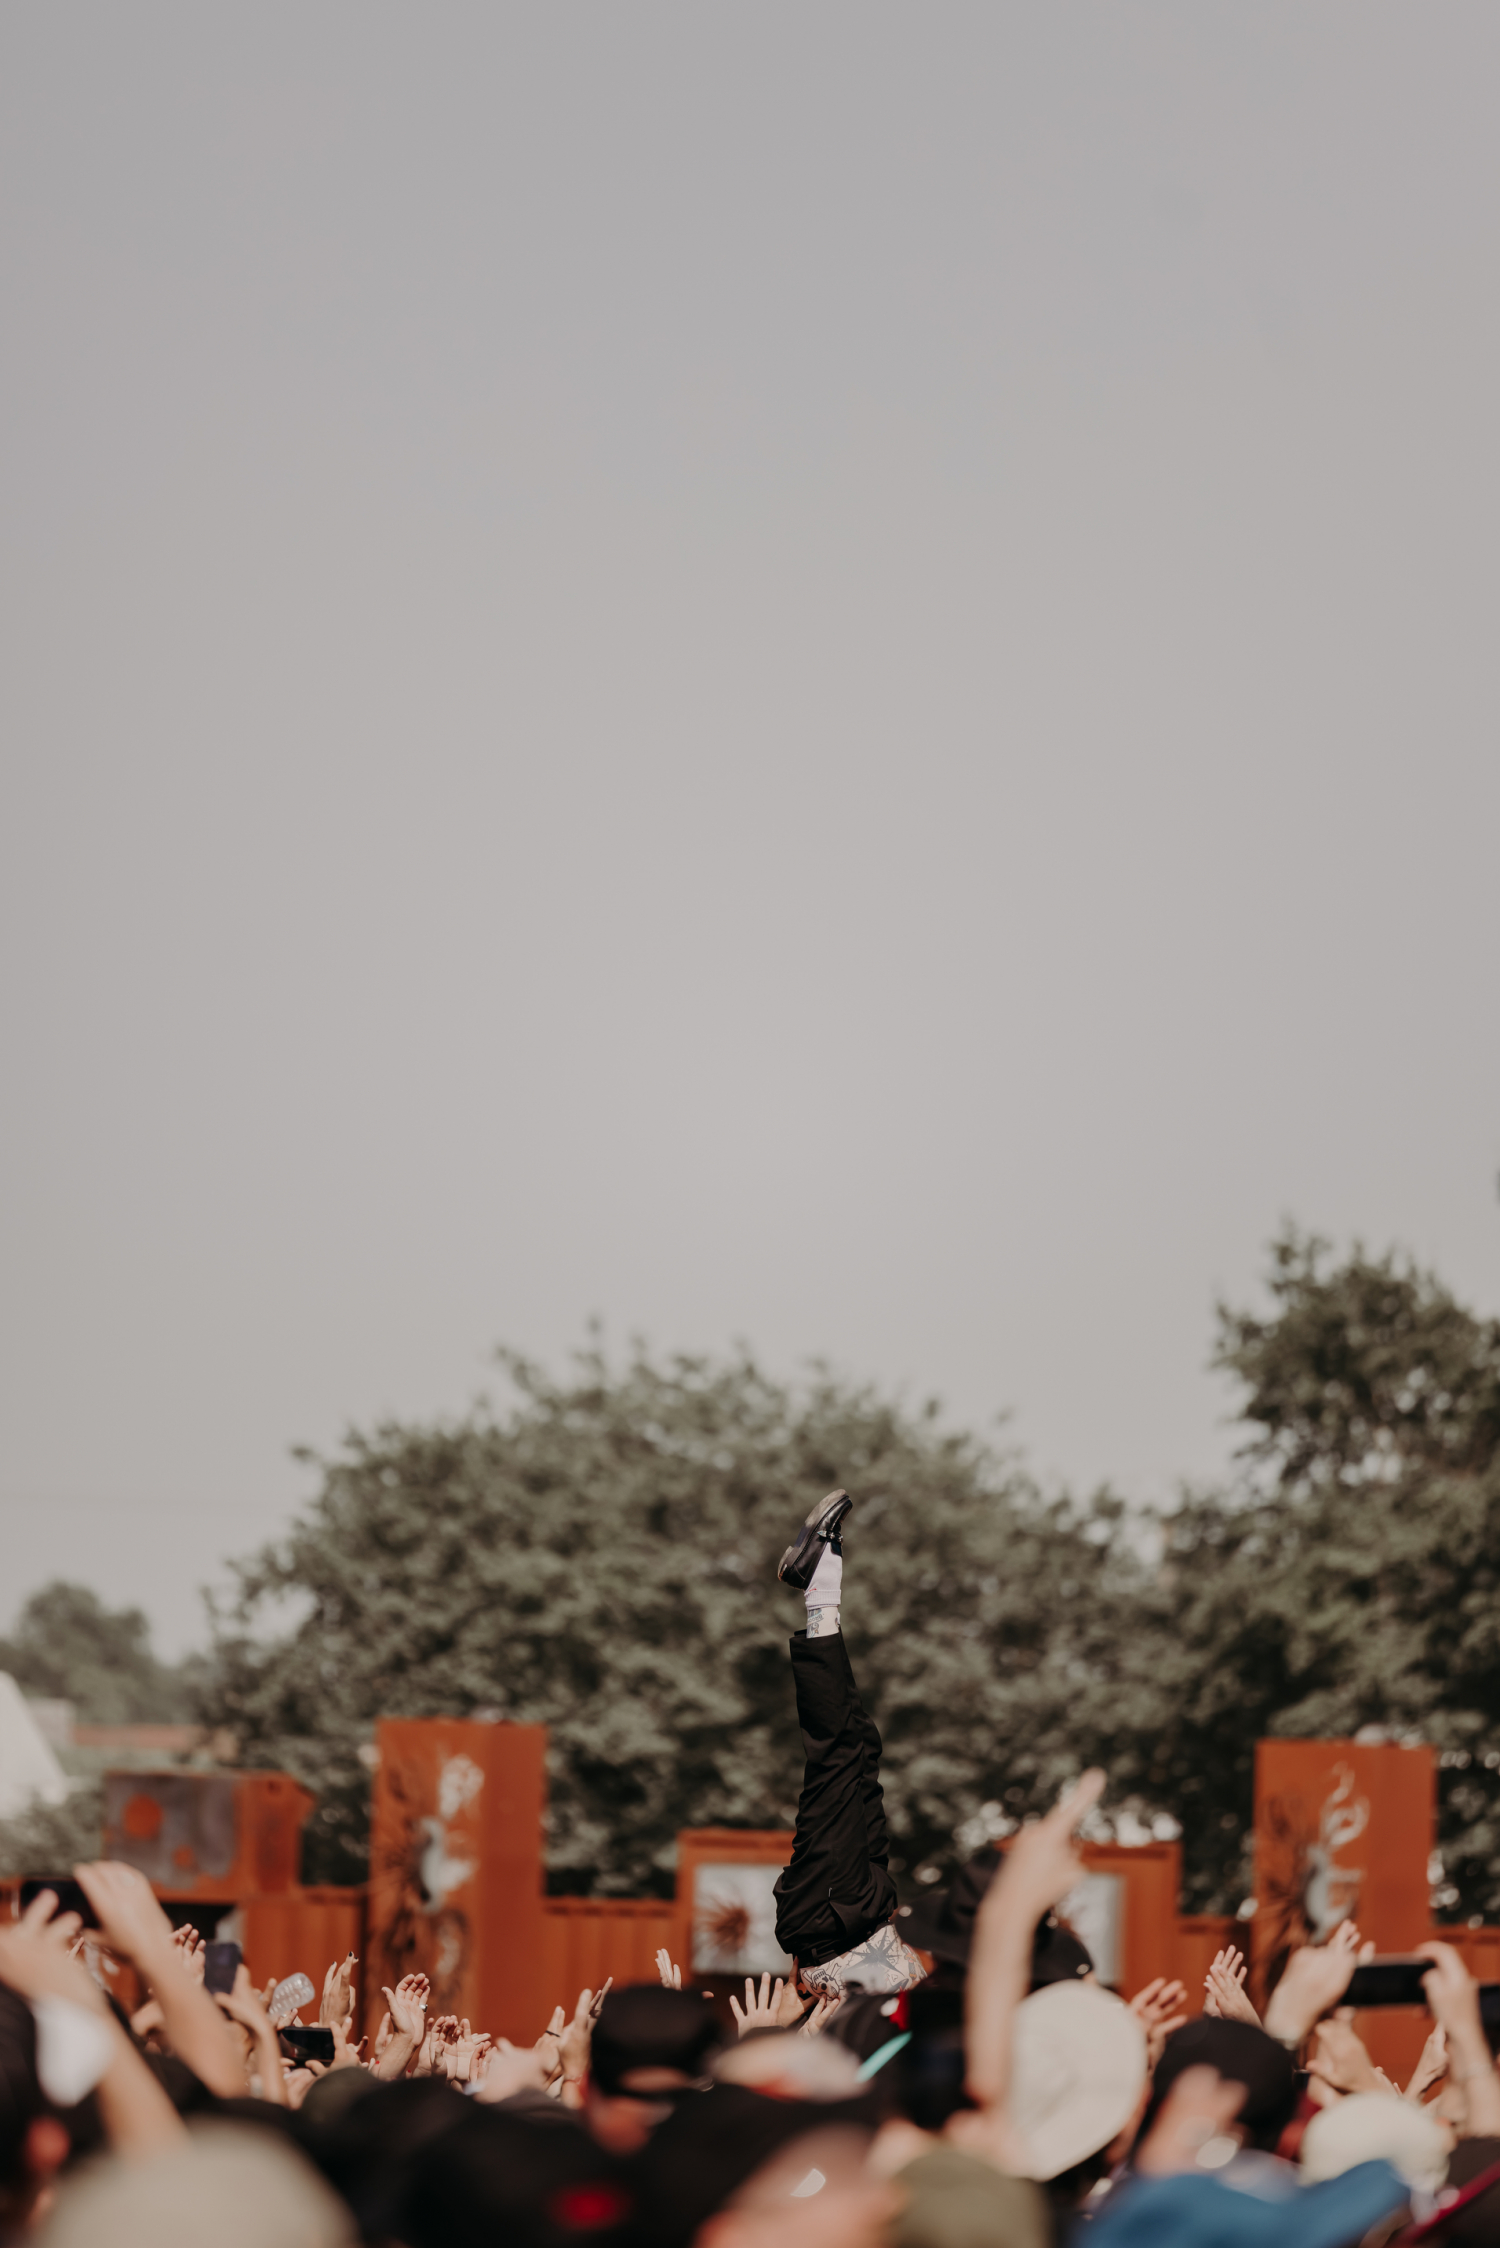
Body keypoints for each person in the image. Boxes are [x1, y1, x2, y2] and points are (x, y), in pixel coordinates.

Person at [771, 1491, 927, 2002]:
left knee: (836, 1756)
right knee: (862, 1751)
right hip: (865, 1908)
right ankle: (820, 1590)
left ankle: (820, 1594)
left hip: (831, 1919)